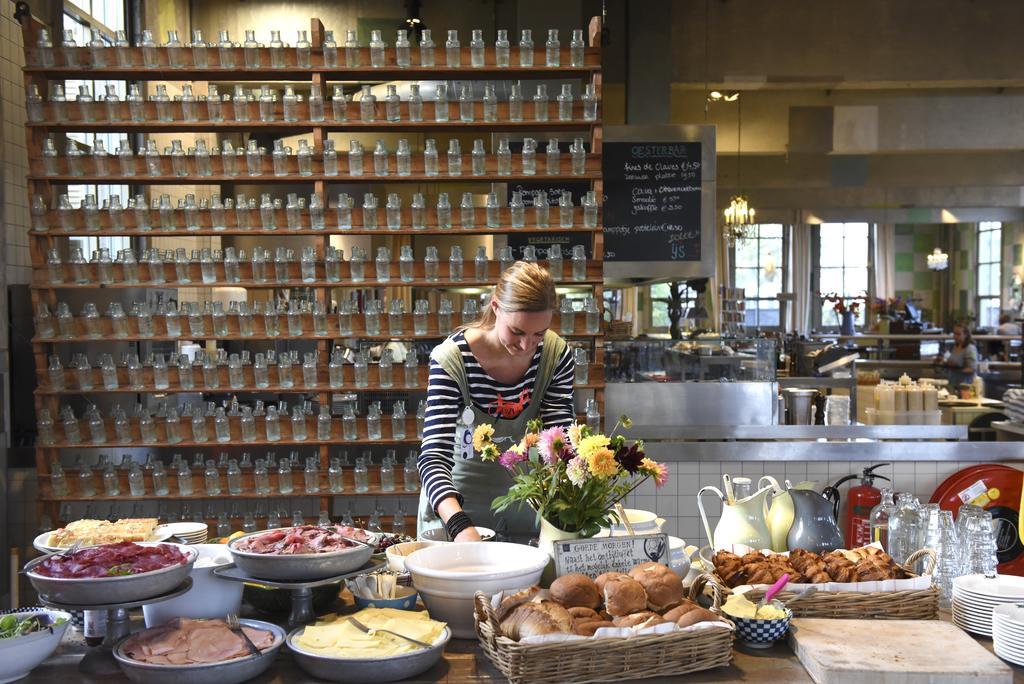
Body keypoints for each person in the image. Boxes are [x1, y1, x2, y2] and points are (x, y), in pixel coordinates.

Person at [417, 261, 575, 543]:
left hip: (528, 512)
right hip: (456, 513)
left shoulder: (555, 356)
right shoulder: (452, 360)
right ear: (496, 307)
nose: (527, 345)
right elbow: (433, 458)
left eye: (539, 333)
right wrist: (459, 525)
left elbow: (558, 445)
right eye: (517, 331)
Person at [938, 321, 978, 390]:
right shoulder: (954, 347)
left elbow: (972, 368)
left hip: (965, 386)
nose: (955, 336)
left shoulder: (970, 349)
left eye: (958, 334)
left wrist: (957, 369)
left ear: (965, 335)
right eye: (954, 333)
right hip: (952, 383)